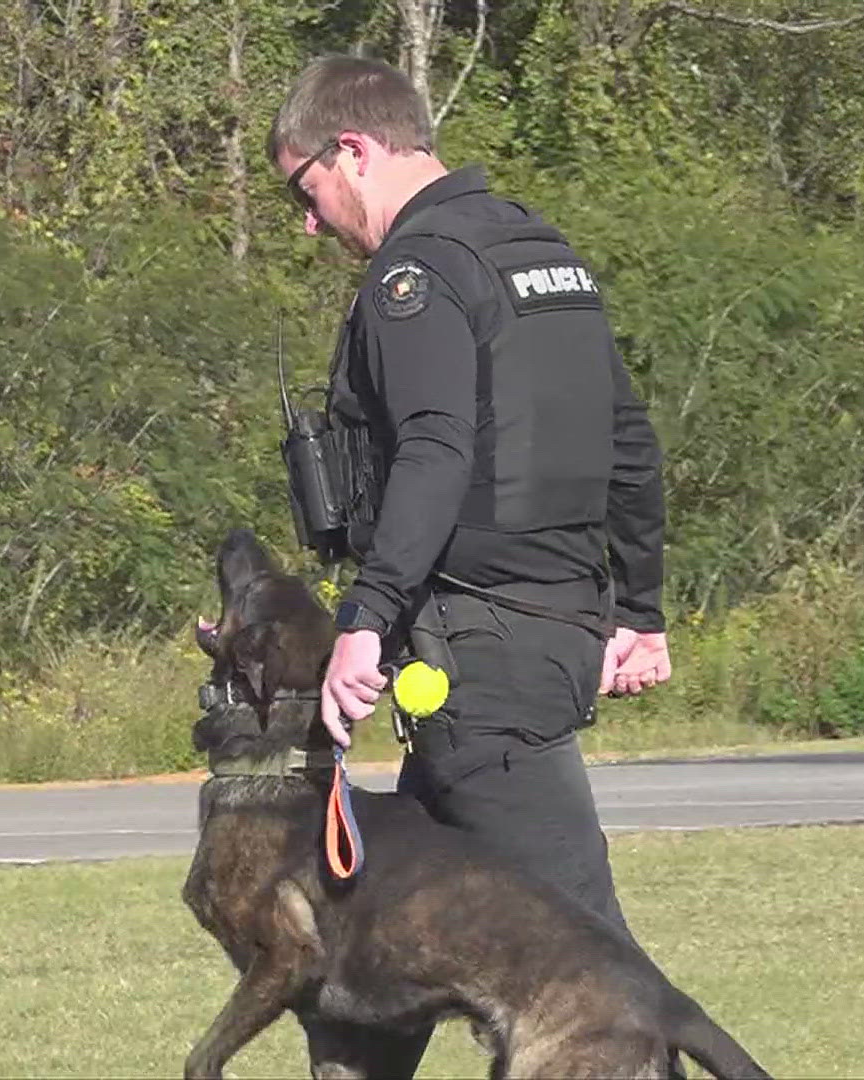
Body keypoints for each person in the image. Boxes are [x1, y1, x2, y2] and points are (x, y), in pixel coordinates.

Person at [268, 53, 675, 1074]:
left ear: (350, 149)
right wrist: (640, 605)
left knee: (586, 963)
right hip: (529, 633)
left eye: (302, 189)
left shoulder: (417, 276)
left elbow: (438, 448)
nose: (307, 223)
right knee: (373, 938)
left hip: (482, 653)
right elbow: (627, 438)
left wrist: (365, 617)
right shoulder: (541, 252)